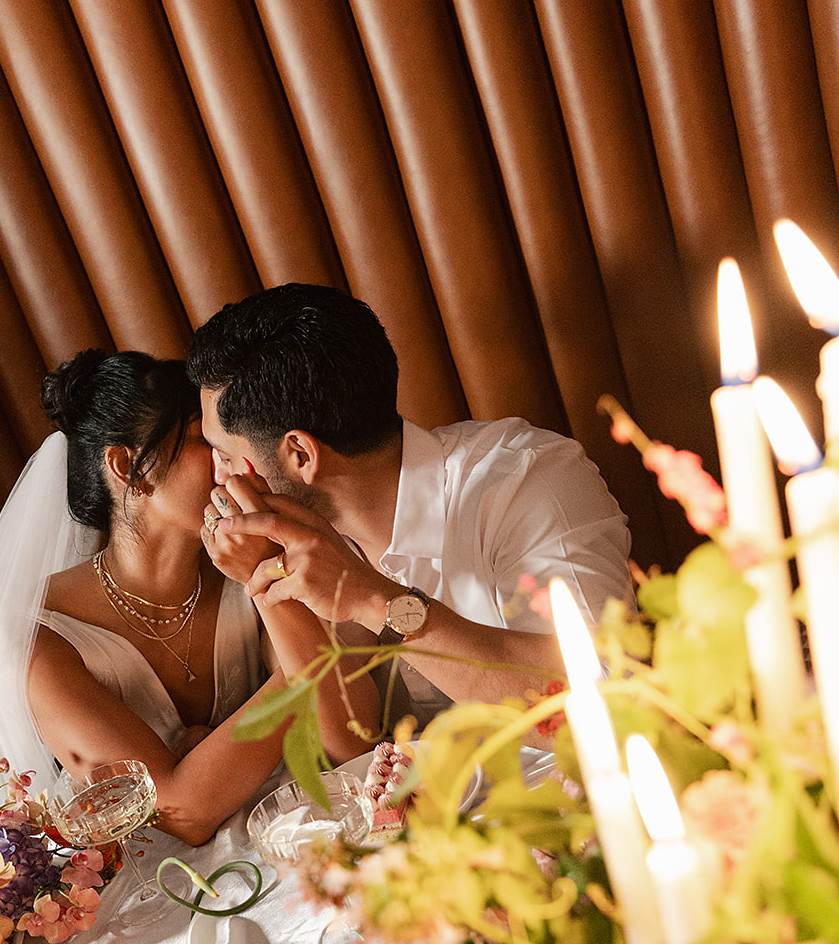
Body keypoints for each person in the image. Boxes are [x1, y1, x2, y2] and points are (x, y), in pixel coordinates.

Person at [0, 347, 377, 844]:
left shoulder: (250, 559)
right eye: (205, 440)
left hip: (290, 838)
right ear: (129, 466)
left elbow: (353, 735)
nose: (234, 465)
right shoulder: (28, 636)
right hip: (153, 891)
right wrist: (298, 679)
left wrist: (263, 578)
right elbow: (183, 814)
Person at [187, 284, 632, 725]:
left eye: (225, 457)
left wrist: (373, 598)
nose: (219, 479)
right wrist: (261, 575)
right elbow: (349, 742)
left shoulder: (526, 482)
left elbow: (604, 700)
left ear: (300, 454)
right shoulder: (313, 541)